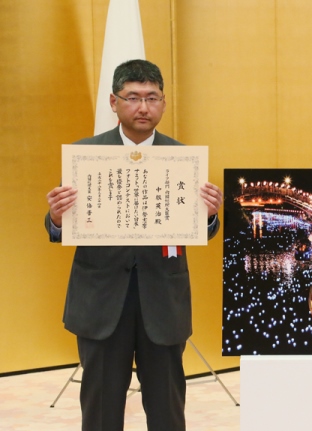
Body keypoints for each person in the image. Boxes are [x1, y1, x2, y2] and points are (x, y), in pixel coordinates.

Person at [45, 59, 223, 431]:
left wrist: (208, 215)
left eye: (152, 97)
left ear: (163, 103)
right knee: (100, 410)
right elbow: (60, 228)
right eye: (133, 98)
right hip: (101, 299)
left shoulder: (183, 159)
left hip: (163, 298)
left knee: (167, 409)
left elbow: (200, 231)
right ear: (114, 102)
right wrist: (58, 218)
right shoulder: (85, 156)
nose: (143, 107)